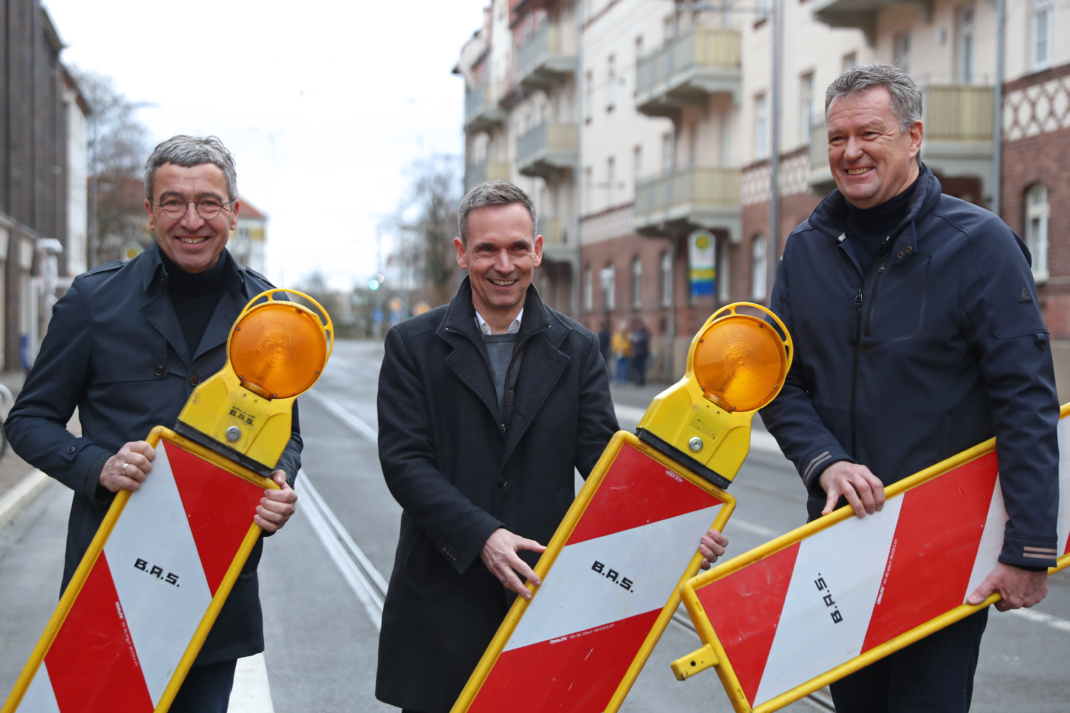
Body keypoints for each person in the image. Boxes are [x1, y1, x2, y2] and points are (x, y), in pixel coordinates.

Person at [760, 64, 1059, 713]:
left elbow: (1025, 397)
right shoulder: (804, 250)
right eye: (837, 138)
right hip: (842, 537)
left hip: (945, 542)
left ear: (915, 135)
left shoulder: (979, 244)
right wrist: (825, 460)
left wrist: (1030, 546)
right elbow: (779, 384)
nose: (851, 152)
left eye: (870, 133)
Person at [374, 180, 728, 713]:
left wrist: (674, 533)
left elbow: (609, 468)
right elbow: (404, 463)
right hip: (443, 597)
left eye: (518, 247)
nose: (503, 264)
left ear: (537, 250)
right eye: (487, 248)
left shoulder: (578, 347)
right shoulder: (412, 345)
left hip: (543, 599)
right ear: (461, 253)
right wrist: (483, 536)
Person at [5, 135, 301, 713]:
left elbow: (286, 434)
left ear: (233, 214)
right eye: (173, 202)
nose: (192, 219)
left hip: (218, 587)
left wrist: (280, 482)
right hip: (111, 582)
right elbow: (29, 420)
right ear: (149, 213)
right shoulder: (93, 302)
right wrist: (98, 465)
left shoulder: (271, 316)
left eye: (209, 203)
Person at [629, 317, 650, 386]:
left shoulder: (645, 331)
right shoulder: (635, 331)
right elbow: (632, 340)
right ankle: (637, 380)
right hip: (636, 352)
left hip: (642, 352)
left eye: (638, 324)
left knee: (642, 367)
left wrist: (639, 340)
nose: (637, 326)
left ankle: (642, 380)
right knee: (636, 367)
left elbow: (645, 340)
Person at [611, 319, 632, 385]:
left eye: (625, 327)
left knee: (625, 367)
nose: (624, 329)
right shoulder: (617, 334)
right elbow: (614, 343)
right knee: (618, 367)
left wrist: (624, 348)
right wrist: (619, 349)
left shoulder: (628, 335)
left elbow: (629, 343)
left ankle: (624, 379)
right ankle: (617, 379)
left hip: (626, 353)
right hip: (619, 353)